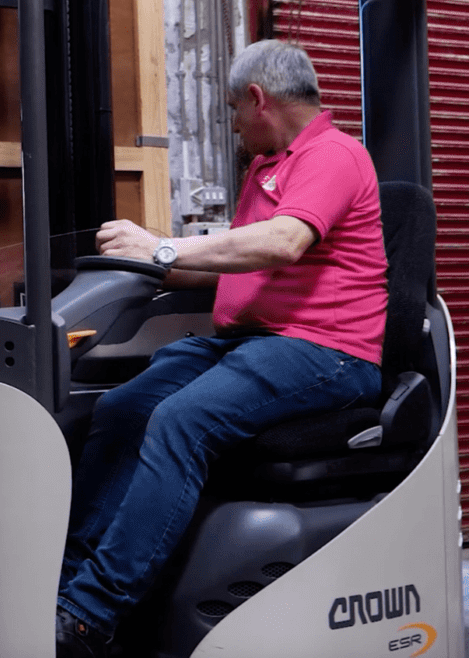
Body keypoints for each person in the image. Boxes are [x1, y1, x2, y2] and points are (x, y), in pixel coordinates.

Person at [56, 39, 388, 658]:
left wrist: (161, 246)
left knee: (182, 419)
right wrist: (137, 265)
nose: (233, 124)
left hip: (328, 352)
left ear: (258, 100)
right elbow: (231, 263)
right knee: (123, 407)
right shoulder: (267, 168)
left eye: (234, 109)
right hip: (254, 343)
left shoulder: (333, 154)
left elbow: (283, 242)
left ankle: (88, 616)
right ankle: (63, 587)